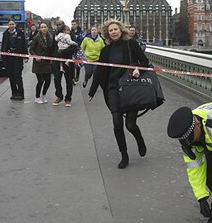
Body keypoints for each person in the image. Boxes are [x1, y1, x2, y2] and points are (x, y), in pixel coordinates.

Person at [88, 19, 149, 169]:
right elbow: (100, 72)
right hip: (112, 89)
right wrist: (92, 91)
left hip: (129, 88)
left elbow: (145, 62)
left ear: (121, 30)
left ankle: (139, 140)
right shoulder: (106, 50)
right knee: (117, 123)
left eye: (115, 29)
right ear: (107, 34)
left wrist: (138, 69)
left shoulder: (131, 44)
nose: (113, 32)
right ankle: (124, 155)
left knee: (130, 125)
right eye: (110, 30)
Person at [1, 19, 28, 100]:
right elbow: (3, 45)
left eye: (13, 24)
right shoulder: (5, 34)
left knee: (17, 76)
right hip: (8, 57)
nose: (11, 26)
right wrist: (3, 56)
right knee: (11, 76)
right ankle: (14, 93)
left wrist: (26, 56)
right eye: (10, 24)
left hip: (17, 58)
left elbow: (24, 45)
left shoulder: (20, 33)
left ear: (15, 25)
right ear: (8, 25)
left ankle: (21, 93)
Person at [29, 22, 54, 104]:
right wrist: (35, 56)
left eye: (45, 27)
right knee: (40, 81)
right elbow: (31, 49)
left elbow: (51, 49)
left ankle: (43, 94)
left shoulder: (50, 37)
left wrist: (52, 58)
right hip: (38, 63)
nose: (43, 28)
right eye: (42, 27)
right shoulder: (36, 38)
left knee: (48, 80)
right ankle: (37, 97)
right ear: (39, 28)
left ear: (47, 28)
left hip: (47, 62)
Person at [53, 25, 77, 107]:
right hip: (57, 61)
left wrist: (63, 52)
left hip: (68, 61)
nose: (68, 31)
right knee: (56, 79)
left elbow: (74, 47)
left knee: (69, 81)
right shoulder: (57, 36)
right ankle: (59, 96)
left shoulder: (71, 36)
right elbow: (53, 47)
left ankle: (68, 99)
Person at [70, 20, 85, 85]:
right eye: (72, 24)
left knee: (78, 65)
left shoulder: (81, 31)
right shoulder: (70, 32)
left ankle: (77, 76)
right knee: (72, 64)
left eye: (74, 24)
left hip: (79, 49)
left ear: (77, 24)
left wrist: (78, 37)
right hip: (72, 50)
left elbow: (84, 38)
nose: (73, 26)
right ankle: (73, 78)